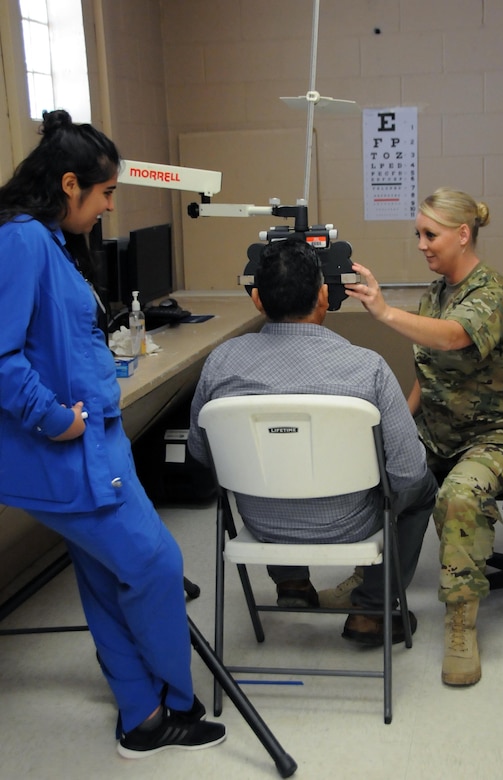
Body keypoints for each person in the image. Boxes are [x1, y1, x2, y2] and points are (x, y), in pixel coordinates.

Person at [0, 110, 226, 757]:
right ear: (69, 184)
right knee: (156, 564)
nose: (107, 207)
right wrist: (55, 418)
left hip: (93, 443)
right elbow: (2, 356)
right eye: (104, 194)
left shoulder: (47, 241)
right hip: (66, 451)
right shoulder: (20, 241)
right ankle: (176, 703)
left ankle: (142, 718)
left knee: (106, 578)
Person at [338, 187, 503, 685]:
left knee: (457, 495)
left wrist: (385, 313)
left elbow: (454, 337)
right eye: (418, 235)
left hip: (501, 434)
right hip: (442, 429)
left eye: (430, 235)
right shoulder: (437, 293)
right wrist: (399, 429)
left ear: (462, 234)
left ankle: (460, 624)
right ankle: (374, 593)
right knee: (390, 471)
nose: (422, 245)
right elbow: (428, 377)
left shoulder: (491, 292)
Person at [188, 236, 437, 646]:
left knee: (276, 476)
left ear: (257, 300)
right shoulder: (367, 369)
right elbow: (409, 471)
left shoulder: (221, 364)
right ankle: (372, 610)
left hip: (262, 523)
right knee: (422, 490)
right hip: (350, 524)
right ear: (324, 296)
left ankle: (292, 587)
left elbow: (201, 452)